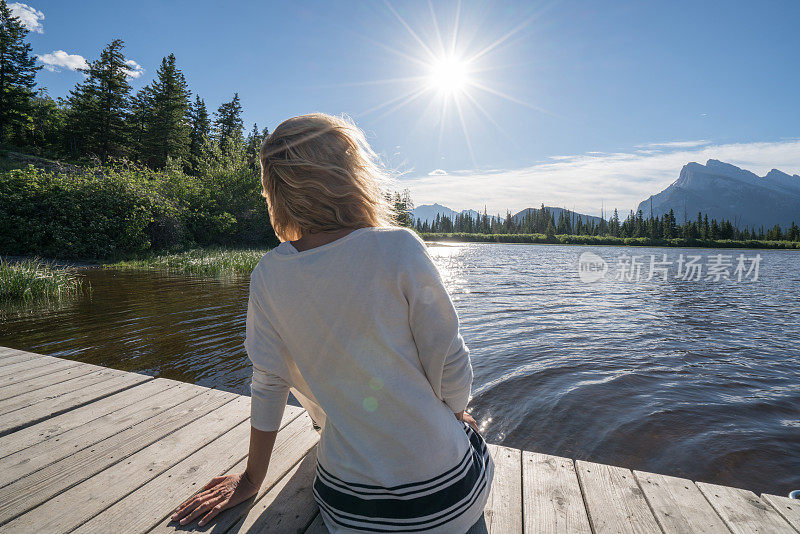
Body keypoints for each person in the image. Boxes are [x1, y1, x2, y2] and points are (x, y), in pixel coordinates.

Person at [171, 113, 493, 533]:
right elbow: (450, 364)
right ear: (350, 175)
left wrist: (251, 479)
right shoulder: (399, 247)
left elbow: (269, 381)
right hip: (449, 500)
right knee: (464, 425)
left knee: (333, 437)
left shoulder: (268, 274)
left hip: (351, 515)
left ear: (277, 190)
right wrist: (456, 413)